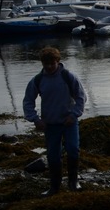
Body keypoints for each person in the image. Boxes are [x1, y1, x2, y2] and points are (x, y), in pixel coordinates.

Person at [23, 47, 86, 196]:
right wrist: (35, 119)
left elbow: (81, 97)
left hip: (69, 122)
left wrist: (75, 114)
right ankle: (54, 187)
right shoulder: (38, 80)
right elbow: (28, 101)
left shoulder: (68, 76)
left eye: (52, 63)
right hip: (50, 124)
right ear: (42, 63)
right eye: (46, 64)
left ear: (58, 61)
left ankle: (73, 182)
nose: (49, 67)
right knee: (52, 155)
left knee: (73, 150)